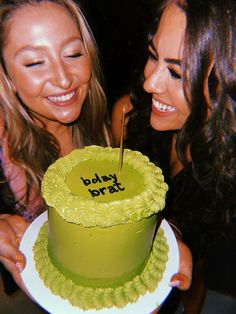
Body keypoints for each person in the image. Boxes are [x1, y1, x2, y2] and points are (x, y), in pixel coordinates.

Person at [111, 0, 236, 313]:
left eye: (178, 73)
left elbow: (200, 260)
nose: (149, 81)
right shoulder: (127, 118)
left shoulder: (228, 176)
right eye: (153, 55)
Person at [0, 0, 110, 299]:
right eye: (35, 62)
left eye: (73, 54)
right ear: (6, 75)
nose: (63, 79)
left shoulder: (100, 118)